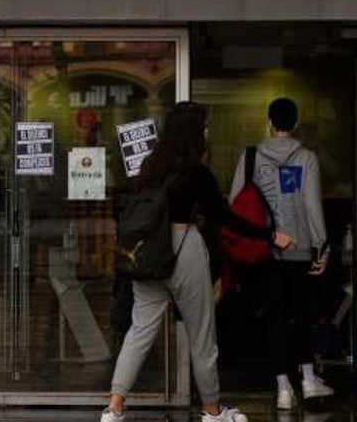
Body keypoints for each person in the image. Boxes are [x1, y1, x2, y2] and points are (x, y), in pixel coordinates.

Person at [102, 101, 294, 422]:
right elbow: (226, 219)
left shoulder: (151, 165)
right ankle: (212, 410)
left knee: (139, 332)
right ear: (194, 132)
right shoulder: (197, 173)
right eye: (203, 126)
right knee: (202, 335)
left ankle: (114, 407)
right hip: (183, 249)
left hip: (149, 254)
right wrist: (269, 235)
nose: (207, 131)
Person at [229, 97, 332, 410]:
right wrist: (321, 246)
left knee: (274, 318)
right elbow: (313, 205)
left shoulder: (249, 157)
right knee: (302, 315)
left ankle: (283, 389)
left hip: (265, 251)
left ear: (269, 123)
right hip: (300, 250)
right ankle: (309, 381)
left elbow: (235, 203)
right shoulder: (308, 158)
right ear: (295, 124)